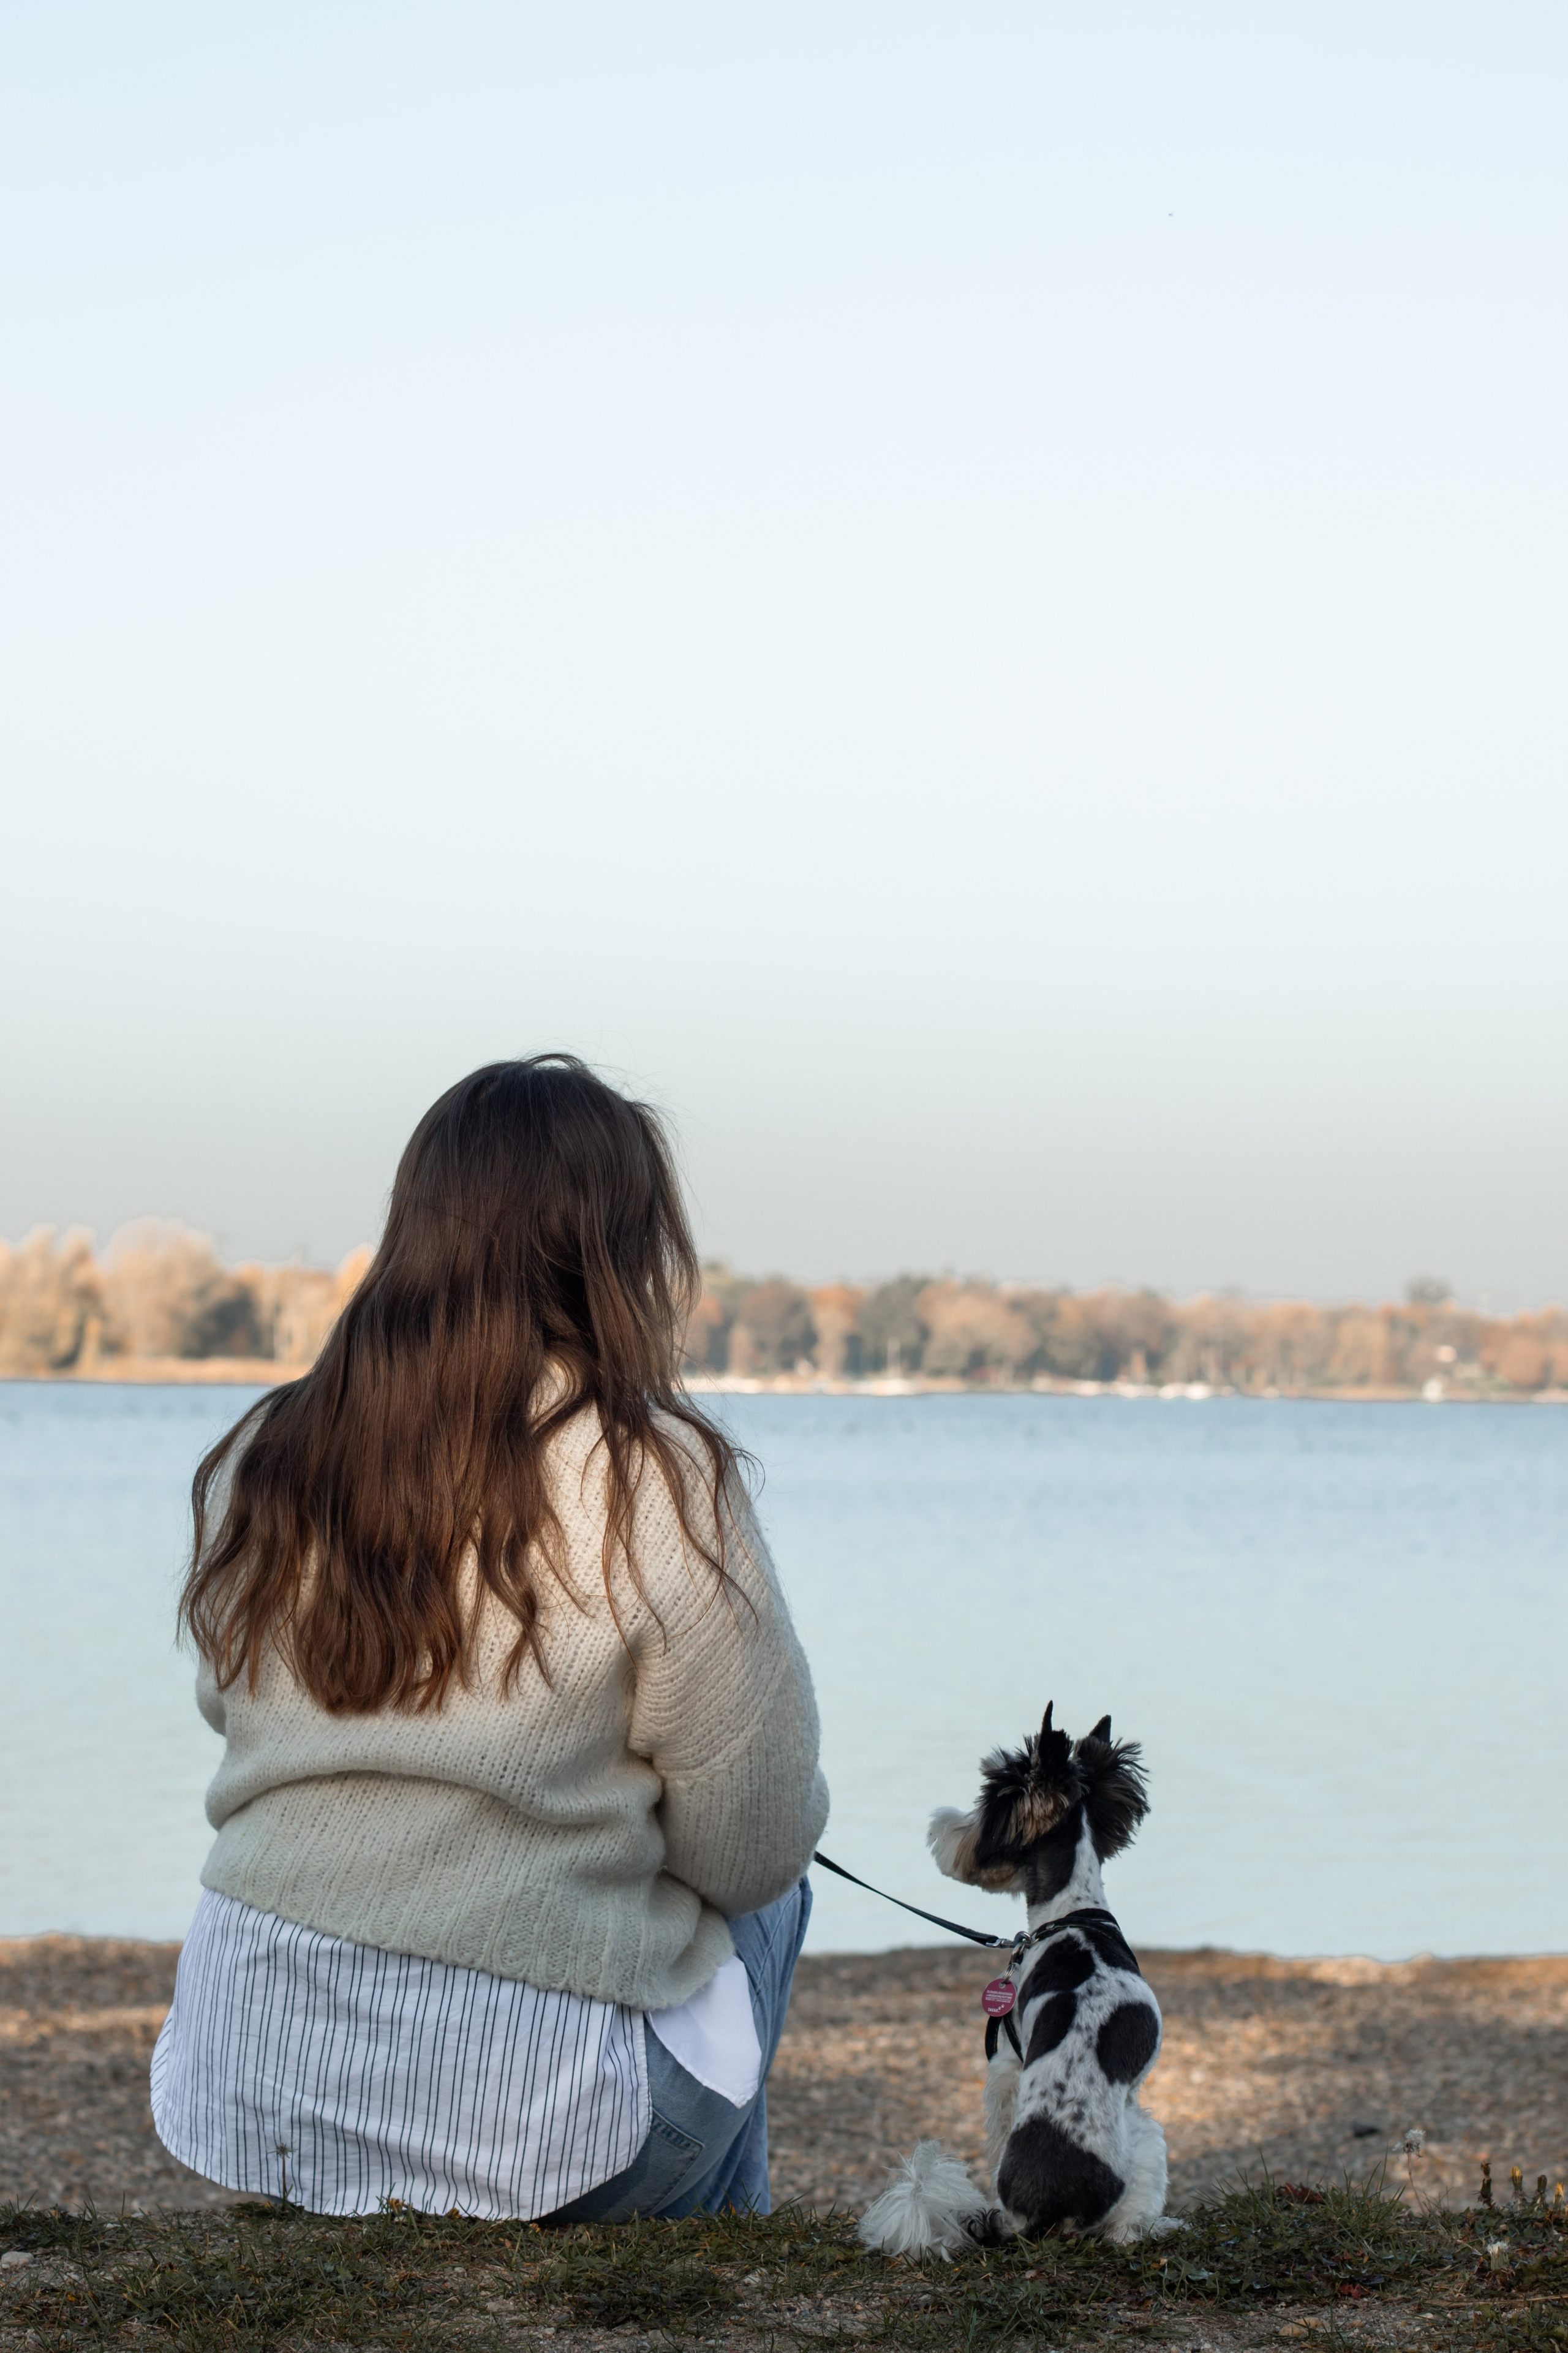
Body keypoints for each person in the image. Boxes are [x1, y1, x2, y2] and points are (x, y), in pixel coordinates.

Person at [151, 1057, 827, 2219]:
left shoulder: (272, 1446)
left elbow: (232, 1710)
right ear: (620, 1251)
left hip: (248, 2088)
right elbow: (754, 1844)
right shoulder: (652, 1476)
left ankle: (350, 2181)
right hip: (538, 2143)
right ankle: (720, 2252)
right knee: (774, 1893)